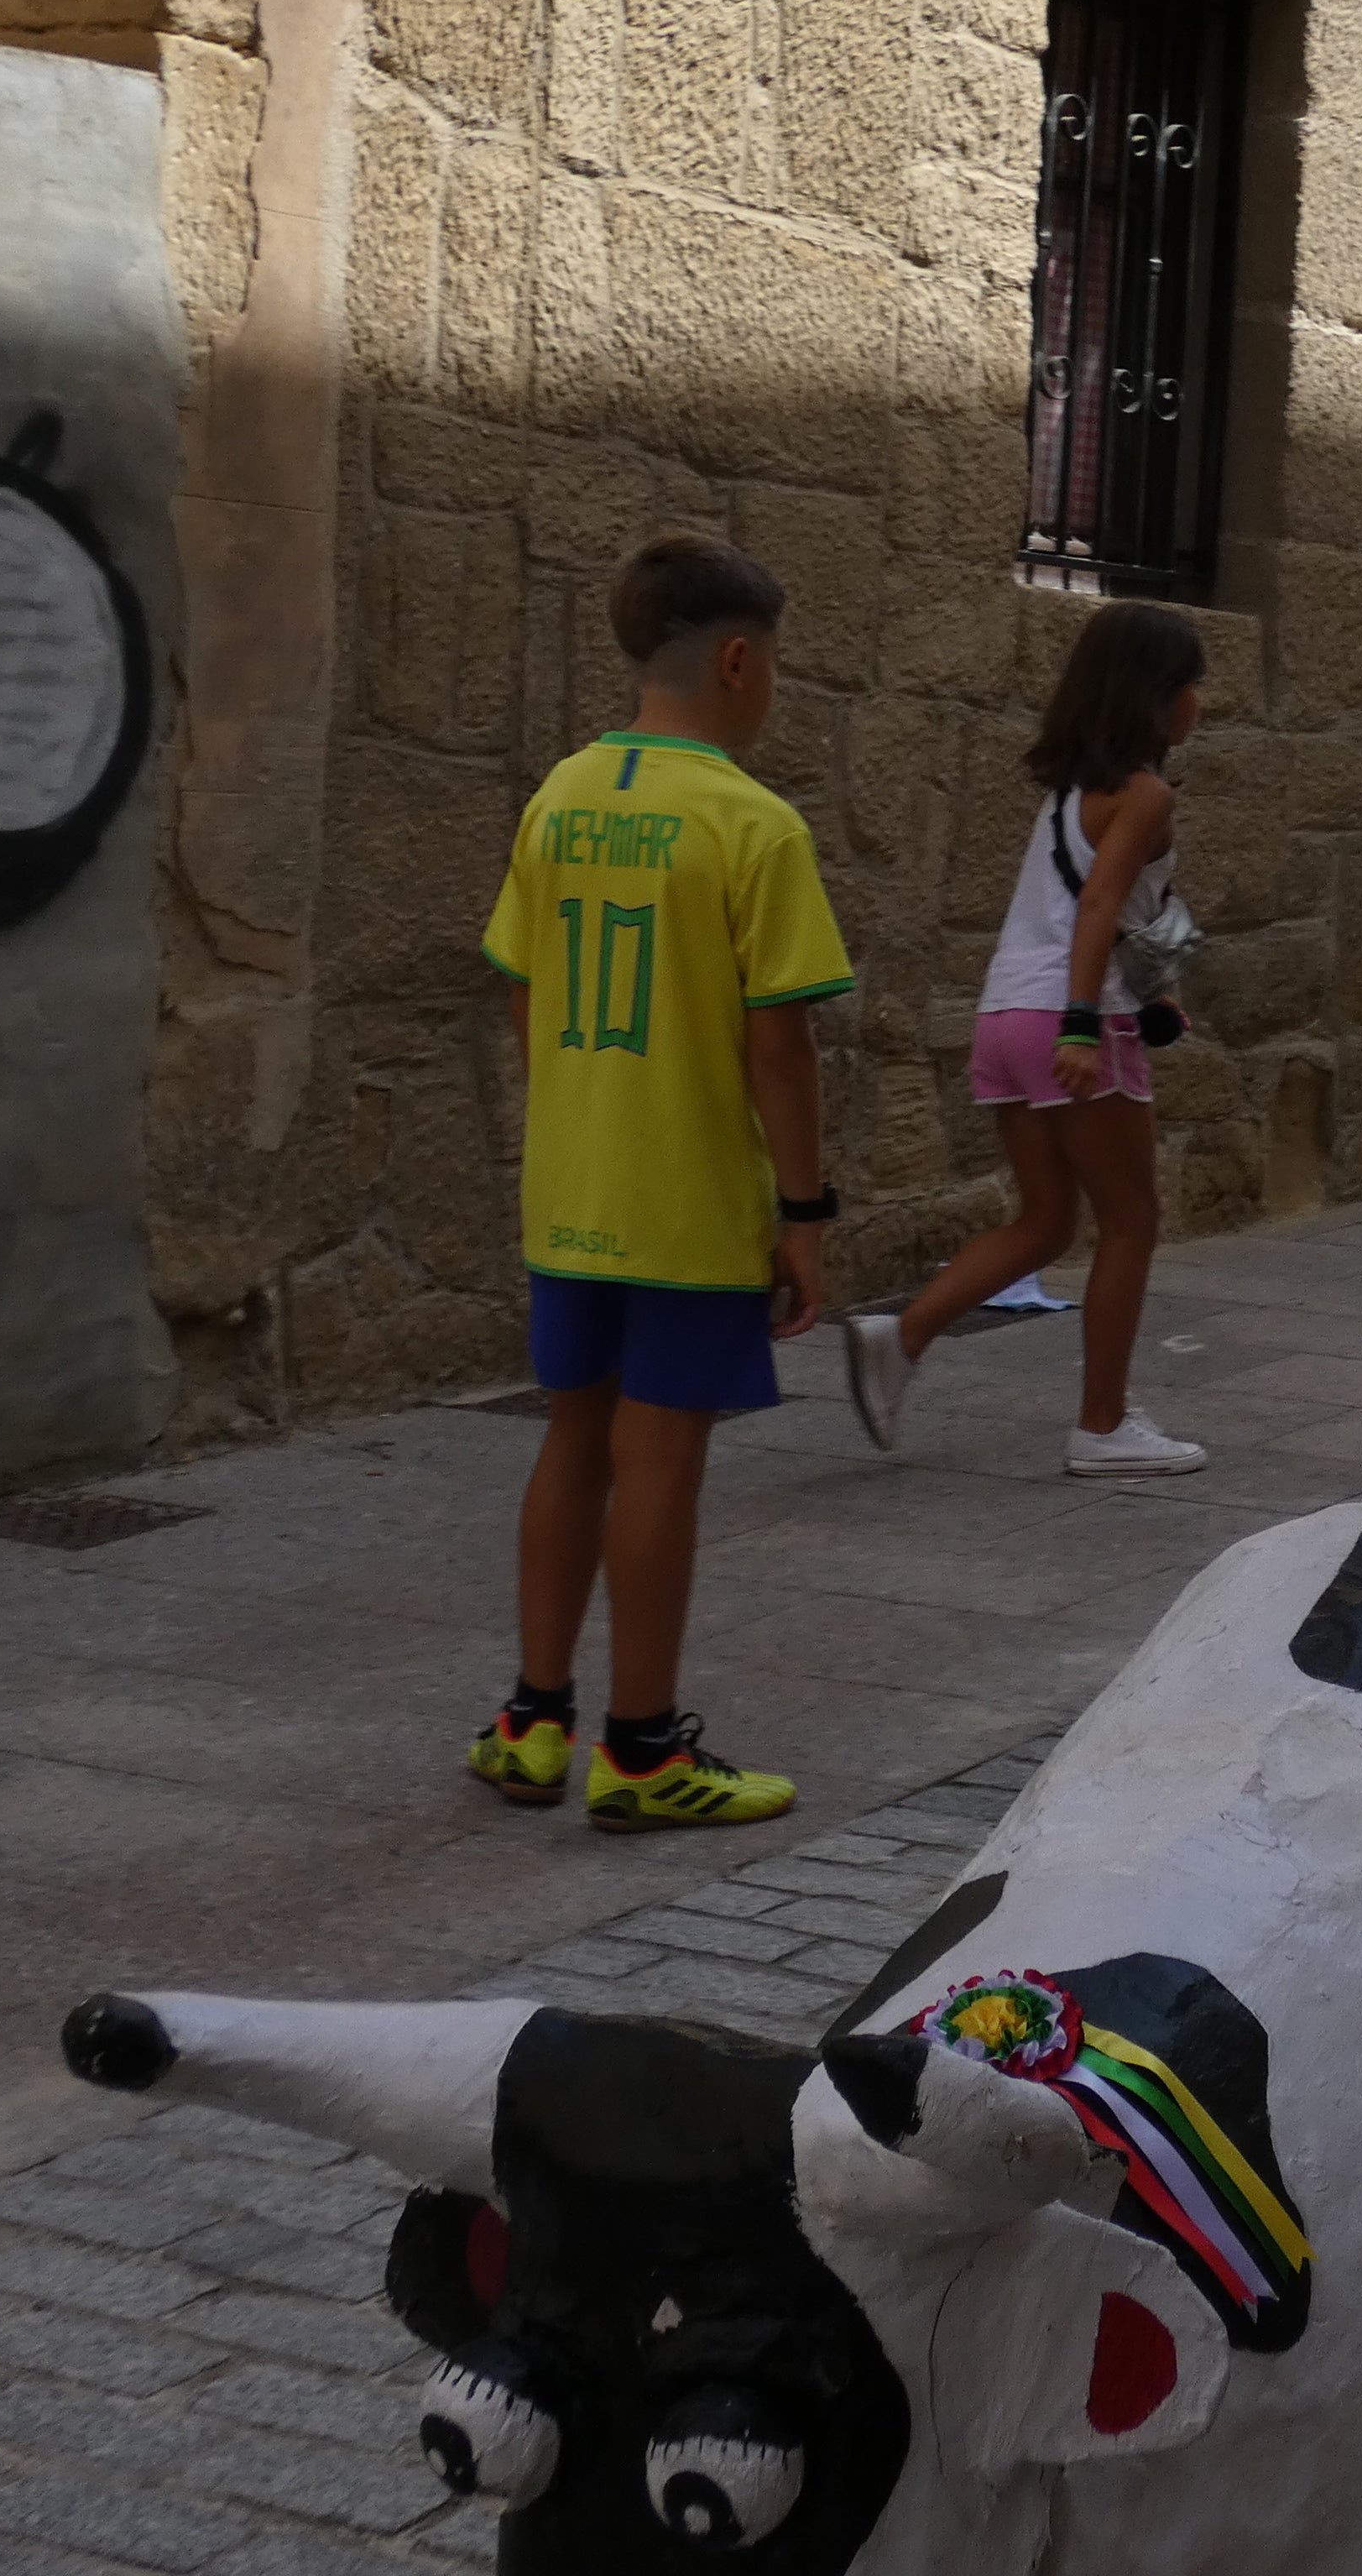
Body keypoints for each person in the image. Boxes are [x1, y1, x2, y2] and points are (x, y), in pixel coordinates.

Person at [465, 534, 853, 1827]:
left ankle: (532, 1720)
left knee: (571, 1439)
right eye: (775, 660)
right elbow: (780, 1045)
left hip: (569, 1183)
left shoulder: (560, 795)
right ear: (739, 659)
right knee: (662, 1460)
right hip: (687, 1196)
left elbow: (522, 992)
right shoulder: (754, 823)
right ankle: (641, 1748)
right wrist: (803, 1213)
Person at [846, 603, 1211, 1476]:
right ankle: (1102, 1424)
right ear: (1159, 695)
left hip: (1005, 1016)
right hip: (1066, 1021)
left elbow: (1083, 911)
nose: (1202, 701)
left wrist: (1125, 1004)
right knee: (1133, 1223)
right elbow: (1094, 910)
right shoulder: (1147, 795)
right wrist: (1087, 1024)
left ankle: (901, 1338)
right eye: (1194, 684)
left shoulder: (1065, 798)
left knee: (1047, 1222)